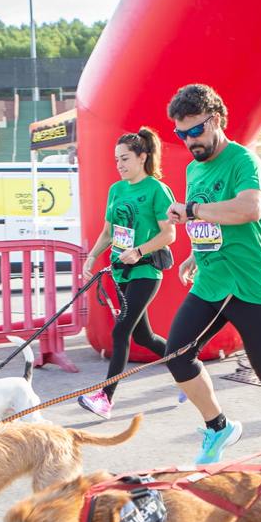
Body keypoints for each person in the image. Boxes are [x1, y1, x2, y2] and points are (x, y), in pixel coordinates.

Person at [163, 84, 261, 470]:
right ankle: (219, 427)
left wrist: (193, 210)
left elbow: (248, 209)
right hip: (212, 281)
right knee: (177, 355)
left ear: (215, 120)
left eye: (195, 131)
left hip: (249, 283)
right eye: (181, 134)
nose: (189, 141)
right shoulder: (194, 168)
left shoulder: (244, 161)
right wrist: (195, 254)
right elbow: (206, 220)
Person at [79, 127, 176, 420]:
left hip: (145, 271)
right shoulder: (116, 190)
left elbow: (169, 234)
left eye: (125, 159)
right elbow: (109, 232)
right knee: (144, 337)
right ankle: (188, 369)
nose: (119, 165)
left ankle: (105, 399)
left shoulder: (157, 190)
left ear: (142, 157)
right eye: (116, 160)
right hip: (121, 272)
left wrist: (139, 251)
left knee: (121, 330)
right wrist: (92, 256)